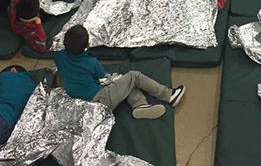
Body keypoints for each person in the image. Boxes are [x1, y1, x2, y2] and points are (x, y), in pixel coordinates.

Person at [55, 25, 186, 119]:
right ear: (86, 47)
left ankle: (140, 105)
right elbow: (102, 76)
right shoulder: (91, 63)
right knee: (134, 76)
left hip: (80, 102)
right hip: (98, 102)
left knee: (125, 84)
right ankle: (169, 95)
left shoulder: (59, 57)